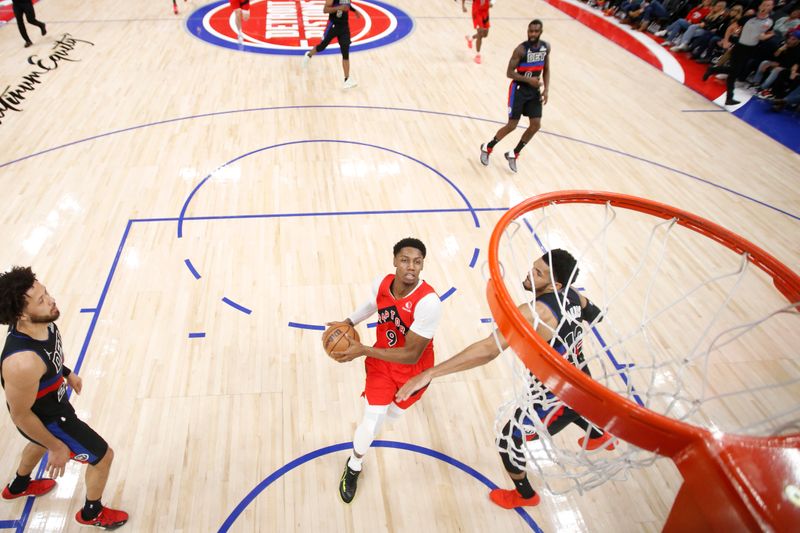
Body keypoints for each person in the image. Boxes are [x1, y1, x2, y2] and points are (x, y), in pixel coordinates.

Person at [396, 249, 614, 509]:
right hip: (582, 378)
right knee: (573, 409)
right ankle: (600, 436)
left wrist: (429, 373)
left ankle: (524, 495)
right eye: (533, 267)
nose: (529, 273)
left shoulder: (535, 313)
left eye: (538, 273)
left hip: (558, 395)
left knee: (508, 439)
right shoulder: (574, 295)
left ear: (554, 285)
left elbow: (489, 350)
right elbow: (596, 315)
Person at [0, 267, 128, 529]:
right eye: (41, 299)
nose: (51, 299)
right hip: (48, 419)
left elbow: (48, 362)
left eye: (45, 292)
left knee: (35, 442)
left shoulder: (42, 321)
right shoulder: (21, 362)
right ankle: (92, 513)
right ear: (22, 314)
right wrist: (56, 446)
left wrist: (66, 373)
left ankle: (18, 486)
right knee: (103, 457)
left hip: (49, 407)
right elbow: (21, 415)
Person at [326, 238, 443, 504]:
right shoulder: (383, 283)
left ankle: (380, 420)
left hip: (414, 373)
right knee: (372, 418)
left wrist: (363, 349)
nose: (410, 267)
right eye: (405, 260)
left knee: (391, 416)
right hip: (381, 363)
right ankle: (354, 465)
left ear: (423, 264)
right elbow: (372, 304)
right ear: (394, 260)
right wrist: (347, 322)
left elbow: (411, 354)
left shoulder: (428, 303)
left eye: (417, 261)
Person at [479, 19, 550, 173]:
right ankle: (487, 147)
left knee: (536, 125)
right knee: (512, 125)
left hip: (534, 91)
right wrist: (528, 80)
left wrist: (546, 89)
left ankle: (514, 153)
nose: (532, 34)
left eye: (536, 31)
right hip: (518, 89)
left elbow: (547, 68)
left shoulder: (545, 47)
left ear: (540, 32)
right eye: (530, 31)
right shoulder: (520, 50)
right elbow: (509, 73)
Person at [704, 0, 775, 105]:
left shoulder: (770, 22)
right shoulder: (748, 18)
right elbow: (731, 28)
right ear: (760, 6)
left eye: (768, 5)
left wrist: (765, 36)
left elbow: (770, 33)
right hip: (740, 46)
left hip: (752, 48)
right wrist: (726, 40)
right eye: (764, 4)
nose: (765, 7)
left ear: (771, 7)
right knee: (734, 71)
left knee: (734, 73)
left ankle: (728, 96)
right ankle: (714, 71)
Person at [301, 0, 362, 89]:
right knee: (322, 46)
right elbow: (325, 10)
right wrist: (339, 8)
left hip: (344, 27)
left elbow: (347, 5)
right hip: (333, 26)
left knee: (345, 52)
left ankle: (347, 79)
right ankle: (309, 55)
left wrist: (355, 10)